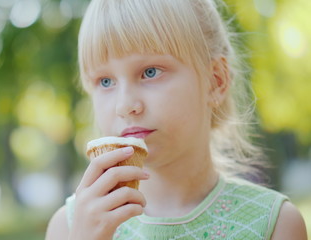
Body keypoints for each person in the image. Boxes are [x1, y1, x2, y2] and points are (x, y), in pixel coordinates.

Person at [46, 0, 308, 239]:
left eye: (150, 72)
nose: (125, 106)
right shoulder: (70, 227)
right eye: (105, 81)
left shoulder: (274, 224)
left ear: (215, 81)